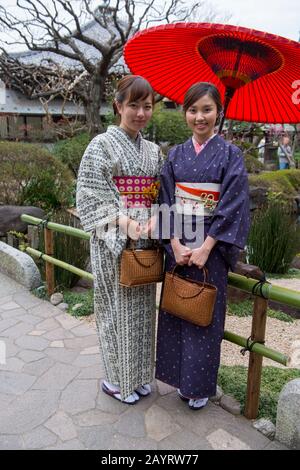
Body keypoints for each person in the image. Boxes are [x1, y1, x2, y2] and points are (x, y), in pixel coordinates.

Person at [156, 82, 250, 410]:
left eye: (207, 110)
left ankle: (197, 387)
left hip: (210, 249)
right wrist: (175, 245)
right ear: (185, 113)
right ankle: (177, 377)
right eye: (193, 110)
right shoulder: (176, 155)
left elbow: (233, 203)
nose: (200, 117)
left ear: (218, 113)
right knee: (177, 309)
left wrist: (207, 248)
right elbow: (166, 199)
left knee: (203, 316)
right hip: (179, 248)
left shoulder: (230, 154)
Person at [76, 75, 163, 405]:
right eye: (133, 106)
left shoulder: (153, 151)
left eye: (147, 106)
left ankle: (139, 377)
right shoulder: (101, 146)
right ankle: (115, 379)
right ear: (118, 106)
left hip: (144, 240)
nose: (140, 113)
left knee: (142, 309)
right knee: (115, 309)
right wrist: (124, 220)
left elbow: (159, 192)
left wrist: (156, 215)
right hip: (112, 237)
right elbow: (88, 194)